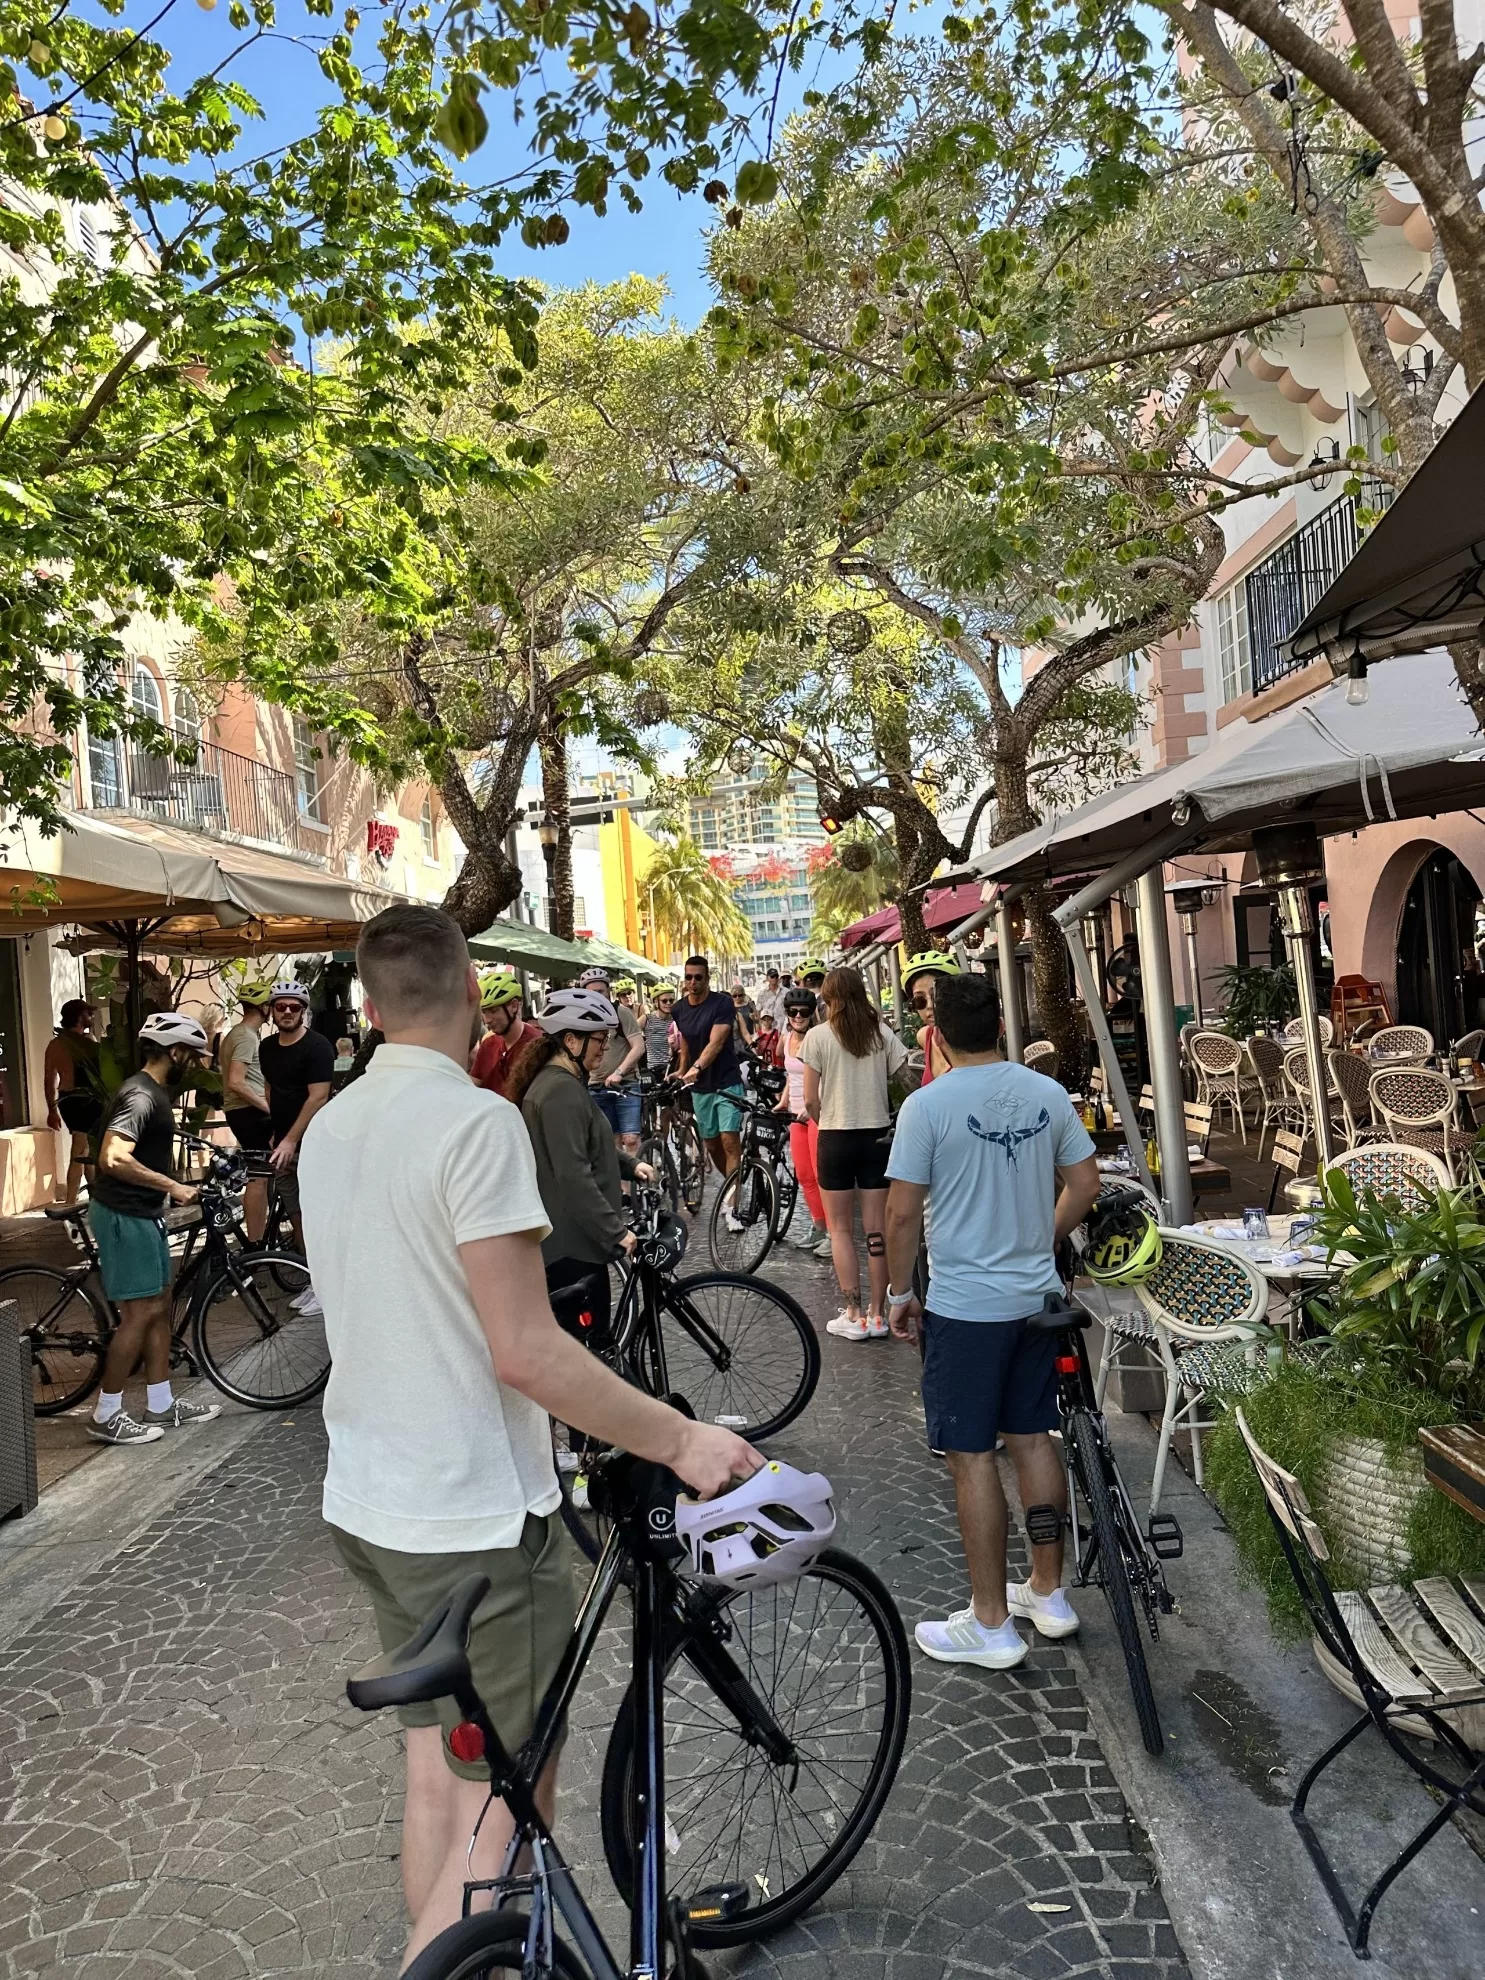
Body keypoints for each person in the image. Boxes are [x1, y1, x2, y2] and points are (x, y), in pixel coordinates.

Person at [296, 904, 759, 1968]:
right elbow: (528, 1350)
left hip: (373, 1501)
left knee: (437, 1780)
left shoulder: (334, 1128)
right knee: (504, 1809)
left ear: (369, 1008)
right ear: (471, 996)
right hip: (476, 1515)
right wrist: (681, 1440)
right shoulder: (473, 1124)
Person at [882, 972, 1102, 1671]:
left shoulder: (927, 1105)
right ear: (1001, 1028)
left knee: (971, 1455)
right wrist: (1040, 1238)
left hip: (966, 1308)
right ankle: (1048, 1590)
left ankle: (990, 1622)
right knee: (1033, 1439)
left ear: (937, 1035)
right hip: (1034, 1301)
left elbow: (900, 1211)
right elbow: (1086, 1185)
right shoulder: (1044, 1094)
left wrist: (895, 1293)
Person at [86, 1012, 223, 1447]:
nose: (198, 1063)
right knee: (140, 1314)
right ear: (175, 1052)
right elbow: (112, 1157)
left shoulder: (154, 1093)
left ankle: (161, 1404)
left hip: (144, 1214)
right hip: (124, 1214)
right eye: (194, 1055)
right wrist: (173, 1187)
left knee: (160, 1306)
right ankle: (107, 1412)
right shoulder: (140, 1096)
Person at [508, 985, 649, 1337]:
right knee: (591, 1348)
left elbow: (587, 1142)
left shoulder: (561, 1084)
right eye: (599, 1040)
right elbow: (573, 1176)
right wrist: (616, 1232)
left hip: (572, 1242)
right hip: (572, 1247)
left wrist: (630, 1165)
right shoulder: (560, 1092)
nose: (605, 1048)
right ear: (572, 1041)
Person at [801, 968, 908, 1340]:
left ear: (829, 999)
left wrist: (823, 1118)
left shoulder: (816, 1037)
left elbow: (810, 1098)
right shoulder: (881, 1034)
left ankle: (853, 1312)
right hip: (876, 1137)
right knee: (876, 1230)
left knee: (841, 1230)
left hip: (835, 1137)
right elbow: (904, 1077)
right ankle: (879, 1315)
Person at [258, 980, 334, 1310]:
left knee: (319, 1215)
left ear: (304, 1011)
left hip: (314, 1144)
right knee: (298, 1215)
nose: (287, 1012)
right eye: (281, 1007)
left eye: (294, 1007)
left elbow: (318, 1096)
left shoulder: (318, 1047)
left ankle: (329, 1286)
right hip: (283, 1145)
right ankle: (314, 1281)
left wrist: (291, 1139)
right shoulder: (266, 1048)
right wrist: (278, 1134)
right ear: (271, 1011)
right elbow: (272, 1089)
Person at [673, 955, 746, 1177]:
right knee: (712, 1144)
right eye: (688, 977)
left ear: (707, 979)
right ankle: (730, 1186)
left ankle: (732, 1203)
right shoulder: (678, 1009)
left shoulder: (722, 1004)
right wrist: (683, 1068)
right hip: (701, 1087)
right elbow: (685, 1037)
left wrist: (697, 1067)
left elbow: (717, 1042)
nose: (692, 982)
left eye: (698, 977)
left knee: (729, 1139)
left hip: (727, 1080)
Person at [220, 979, 275, 1241]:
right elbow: (236, 1081)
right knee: (258, 1177)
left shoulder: (239, 1034)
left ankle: (258, 1238)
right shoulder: (244, 1036)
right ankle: (255, 1242)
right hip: (248, 1112)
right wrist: (269, 1108)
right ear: (264, 1006)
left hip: (244, 1111)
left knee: (261, 1175)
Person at [776, 987, 828, 1251]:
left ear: (812, 1014)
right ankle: (819, 1228)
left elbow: (827, 1077)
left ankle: (833, 1233)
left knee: (822, 1175)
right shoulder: (787, 1038)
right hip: (796, 1114)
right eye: (793, 1012)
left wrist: (812, 1105)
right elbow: (791, 1075)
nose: (798, 1016)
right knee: (805, 1175)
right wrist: (784, 1100)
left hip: (816, 1113)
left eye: (804, 1012)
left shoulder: (818, 1038)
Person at [44, 998, 105, 1205]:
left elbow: (49, 1080)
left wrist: (52, 1109)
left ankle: (97, 1200)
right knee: (80, 1151)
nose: (91, 1018)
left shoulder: (55, 1045)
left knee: (85, 1150)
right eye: (89, 1014)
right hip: (86, 1099)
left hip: (66, 1100)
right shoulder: (88, 1042)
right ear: (80, 1017)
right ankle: (70, 1203)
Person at [581, 967, 644, 1156]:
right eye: (592, 993)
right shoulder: (583, 1017)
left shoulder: (621, 1012)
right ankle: (622, 1186)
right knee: (610, 1142)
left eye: (601, 991)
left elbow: (639, 1046)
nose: (597, 996)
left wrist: (619, 1072)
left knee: (630, 1139)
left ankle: (636, 1183)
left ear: (609, 991)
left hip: (626, 1085)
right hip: (596, 1087)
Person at [471, 973, 539, 1099]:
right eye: (484, 1012)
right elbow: (474, 1083)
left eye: (493, 1011)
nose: (487, 1020)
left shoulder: (537, 1044)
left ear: (514, 1006)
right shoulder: (488, 1044)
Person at [903, 952, 962, 1088]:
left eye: (937, 996)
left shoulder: (976, 1038)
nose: (930, 1006)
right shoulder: (924, 1036)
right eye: (920, 1000)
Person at [642, 982, 679, 1076]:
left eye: (671, 1000)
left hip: (673, 1069)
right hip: (654, 1070)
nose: (668, 1003)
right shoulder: (647, 1019)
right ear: (655, 1002)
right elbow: (630, 1033)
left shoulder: (677, 1019)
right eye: (664, 1001)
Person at [730, 980, 756, 1054]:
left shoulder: (749, 1004)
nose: (737, 998)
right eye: (734, 996)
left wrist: (754, 1018)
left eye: (740, 995)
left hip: (750, 1034)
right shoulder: (730, 1007)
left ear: (743, 995)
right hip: (736, 1038)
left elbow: (757, 1021)